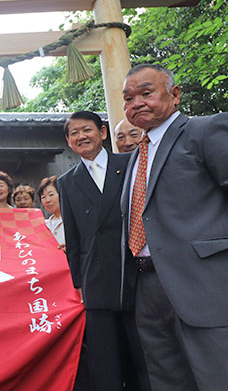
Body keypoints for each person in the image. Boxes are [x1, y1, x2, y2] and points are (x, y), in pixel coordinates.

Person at [121, 63, 228, 391]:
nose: (135, 103)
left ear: (175, 94)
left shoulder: (207, 130)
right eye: (127, 98)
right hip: (148, 286)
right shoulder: (136, 155)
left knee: (226, 380)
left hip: (210, 284)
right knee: (169, 381)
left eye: (146, 93)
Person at [57, 111, 149, 391]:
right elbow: (73, 239)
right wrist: (79, 283)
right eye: (74, 133)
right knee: (106, 359)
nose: (81, 136)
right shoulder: (66, 181)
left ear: (103, 133)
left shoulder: (131, 163)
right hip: (95, 280)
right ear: (69, 141)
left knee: (144, 353)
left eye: (87, 129)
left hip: (136, 272)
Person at [37, 176, 64, 250]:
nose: (47, 200)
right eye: (43, 197)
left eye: (51, 195)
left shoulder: (75, 220)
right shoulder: (44, 224)